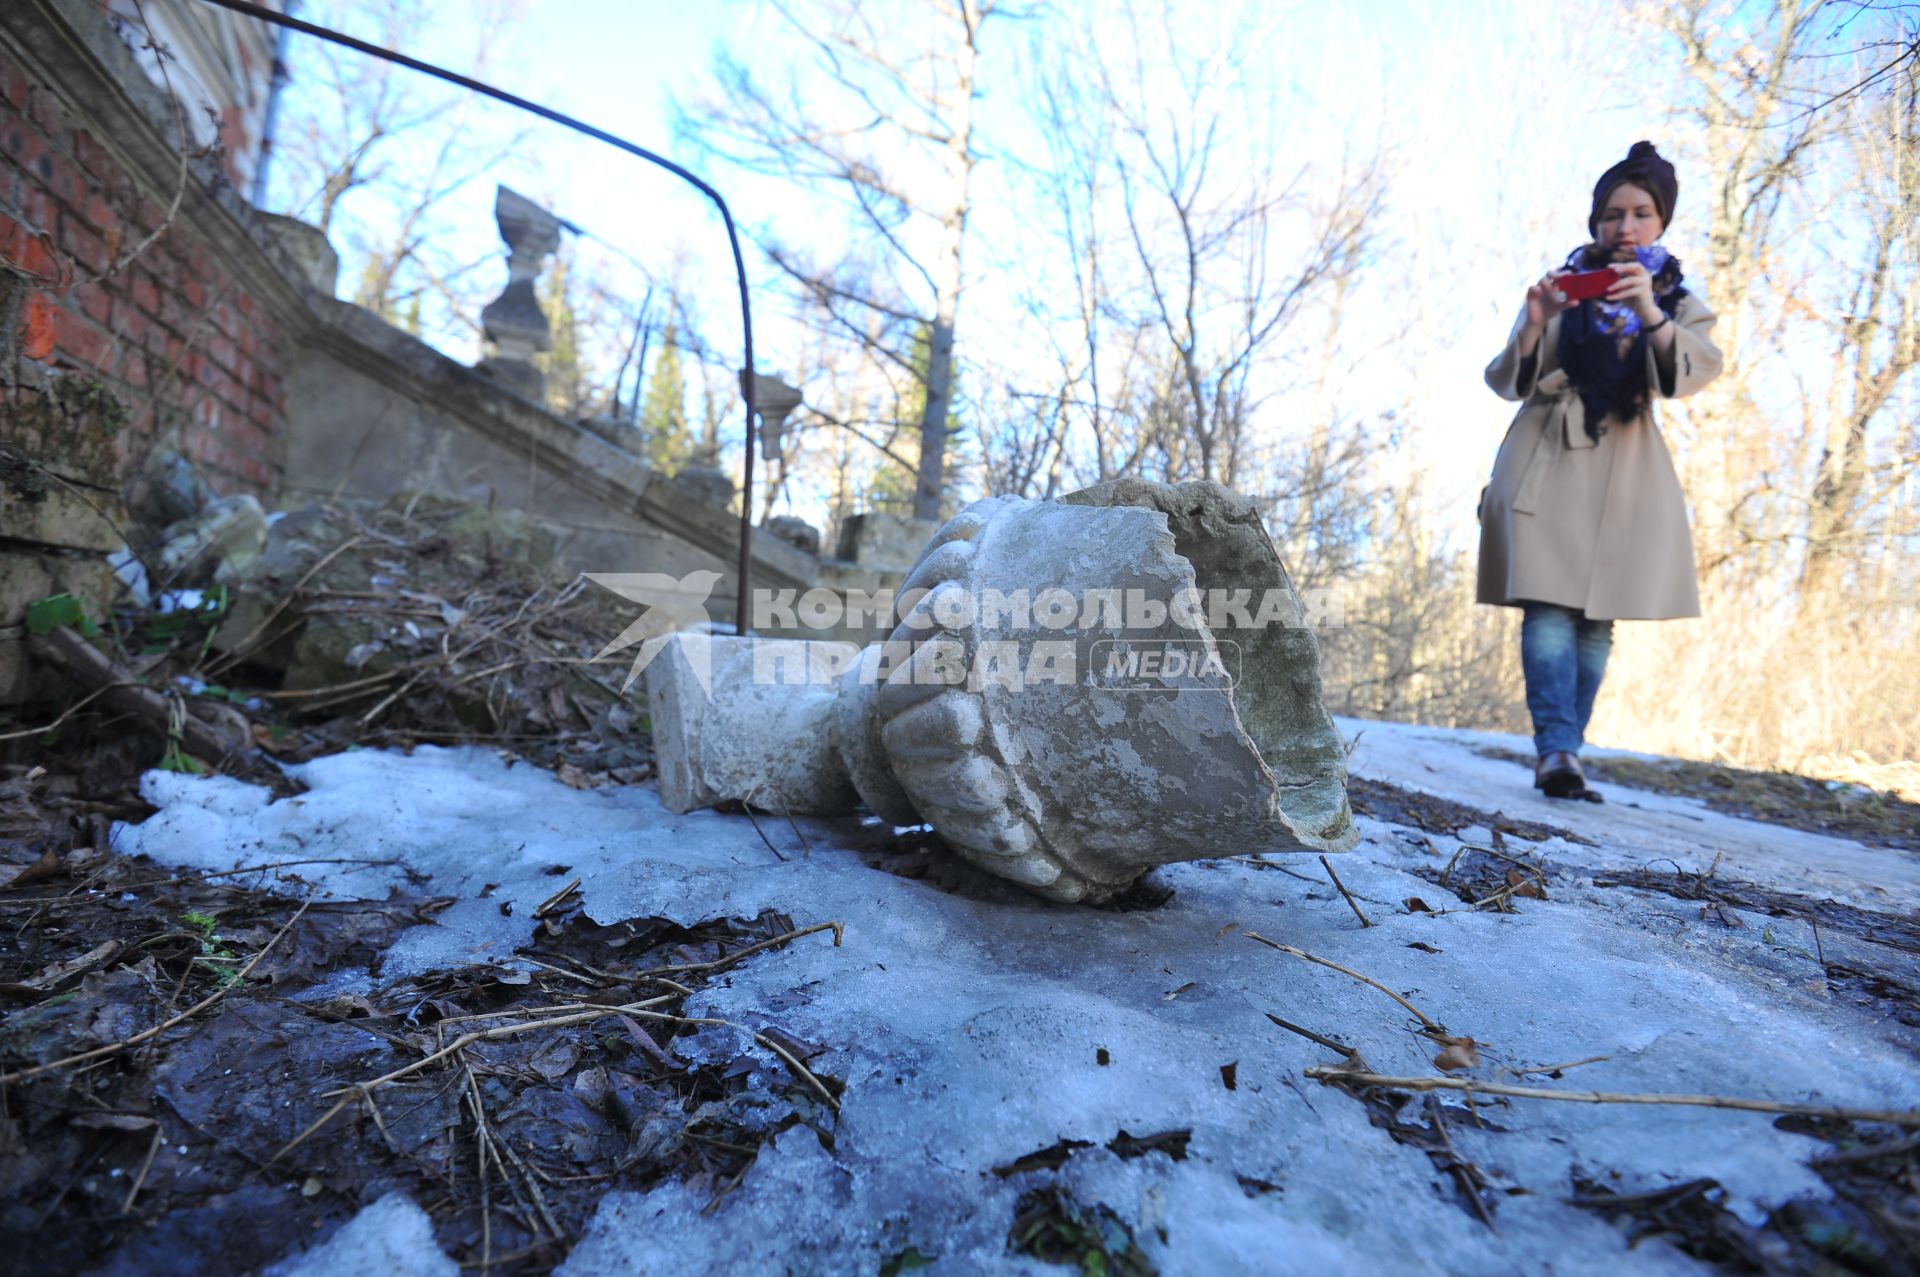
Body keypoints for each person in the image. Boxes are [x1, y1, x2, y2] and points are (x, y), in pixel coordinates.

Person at [1476, 141, 1724, 799]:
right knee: (1549, 606)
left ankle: (1566, 753)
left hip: (1628, 467)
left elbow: (1692, 373)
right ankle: (1557, 749)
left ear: (1661, 220)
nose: (1626, 226)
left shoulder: (1676, 296)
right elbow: (1508, 379)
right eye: (1614, 213)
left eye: (1641, 212)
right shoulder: (1564, 288)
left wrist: (1649, 312)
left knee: (1597, 618)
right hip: (1550, 456)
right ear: (1597, 220)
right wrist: (1534, 324)